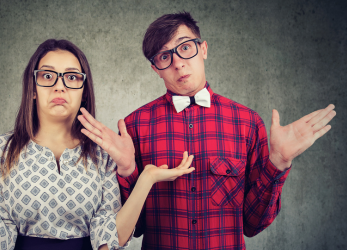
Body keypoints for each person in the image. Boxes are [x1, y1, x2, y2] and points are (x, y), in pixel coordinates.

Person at [77, 12, 336, 249]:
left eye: (185, 48)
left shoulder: (247, 122)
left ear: (203, 50)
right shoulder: (134, 127)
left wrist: (278, 163)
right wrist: (128, 170)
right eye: (165, 56)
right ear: (155, 69)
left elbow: (253, 225)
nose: (178, 63)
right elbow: (136, 228)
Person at [0, 39, 195, 250]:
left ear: (83, 91)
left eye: (72, 77)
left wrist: (145, 178)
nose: (59, 87)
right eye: (47, 76)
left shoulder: (102, 154)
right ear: (33, 88)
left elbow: (110, 240)